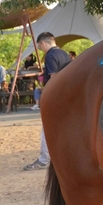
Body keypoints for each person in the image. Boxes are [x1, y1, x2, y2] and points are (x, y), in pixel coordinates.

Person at [23, 32, 71, 170]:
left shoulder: (50, 56)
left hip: (56, 97)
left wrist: (45, 90)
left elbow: (54, 77)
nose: (40, 50)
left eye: (39, 47)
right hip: (67, 95)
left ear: (43, 43)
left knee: (47, 129)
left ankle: (44, 159)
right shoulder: (64, 54)